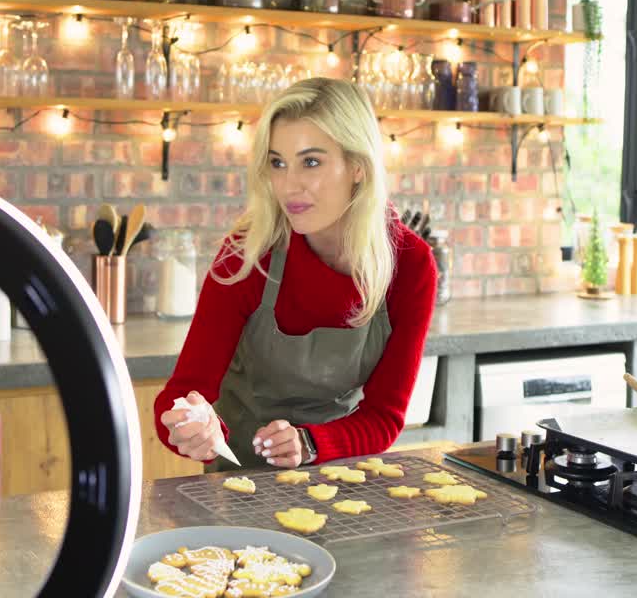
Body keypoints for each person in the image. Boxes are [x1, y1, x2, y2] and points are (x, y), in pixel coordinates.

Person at [155, 77, 438, 471]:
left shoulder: (409, 264)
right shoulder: (247, 255)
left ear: (358, 166)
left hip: (341, 473)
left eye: (311, 162)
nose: (289, 186)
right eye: (277, 163)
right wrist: (189, 425)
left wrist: (309, 443)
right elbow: (182, 392)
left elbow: (384, 418)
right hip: (237, 478)